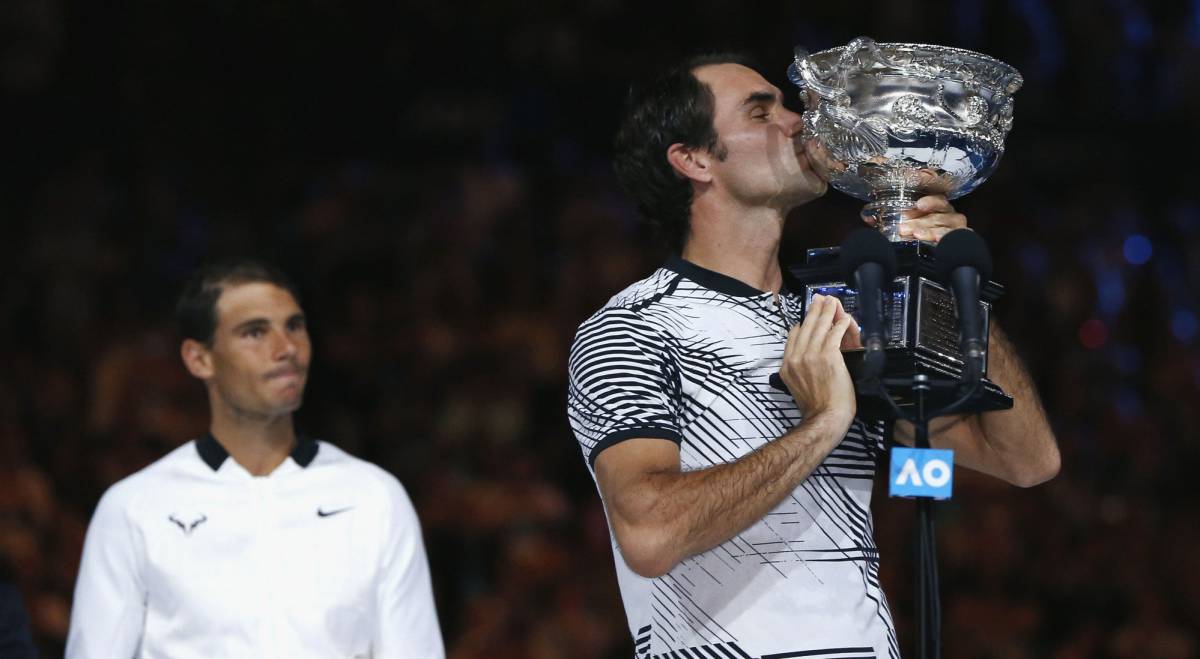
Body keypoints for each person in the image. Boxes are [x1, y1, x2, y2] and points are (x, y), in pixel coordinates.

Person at [566, 53, 1060, 658]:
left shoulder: (846, 316)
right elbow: (651, 533)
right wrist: (823, 424)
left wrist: (953, 286)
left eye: (788, 103)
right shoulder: (634, 328)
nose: (799, 121)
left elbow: (1027, 459)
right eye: (760, 111)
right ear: (693, 160)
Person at [67, 261, 444, 658]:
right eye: (255, 332)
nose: (286, 349)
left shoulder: (375, 499)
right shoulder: (134, 509)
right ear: (199, 359)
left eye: (295, 326)